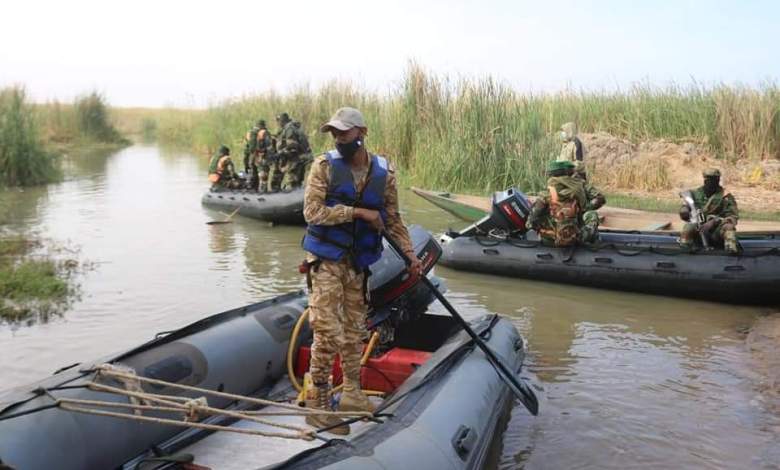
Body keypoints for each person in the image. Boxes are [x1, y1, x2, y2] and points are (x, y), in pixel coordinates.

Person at [301, 107, 422, 435]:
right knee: (327, 330)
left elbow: (393, 218)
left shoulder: (384, 172)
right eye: (334, 133)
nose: (339, 139)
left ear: (361, 133)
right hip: (326, 259)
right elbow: (312, 212)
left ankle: (353, 394)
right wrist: (357, 213)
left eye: (344, 132)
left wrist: (410, 254)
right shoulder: (324, 166)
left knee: (355, 330)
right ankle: (319, 405)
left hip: (358, 263)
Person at [528, 160, 605, 246]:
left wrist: (544, 230)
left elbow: (531, 221)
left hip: (552, 240)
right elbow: (600, 198)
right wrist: (584, 208)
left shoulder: (546, 193)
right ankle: (589, 238)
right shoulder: (580, 185)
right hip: (578, 236)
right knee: (591, 214)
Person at [678, 168, 739, 254]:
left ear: (718, 180)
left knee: (729, 227)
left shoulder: (725, 196)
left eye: (714, 180)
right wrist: (684, 210)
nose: (712, 183)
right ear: (705, 180)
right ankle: (685, 249)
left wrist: (714, 221)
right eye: (709, 179)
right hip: (699, 230)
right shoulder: (695, 193)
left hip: (717, 231)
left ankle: (730, 253)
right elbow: (685, 205)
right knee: (688, 227)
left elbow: (732, 217)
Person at [275, 112, 311, 190]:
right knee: (297, 183)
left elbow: (292, 147)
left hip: (297, 159)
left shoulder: (289, 128)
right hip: (303, 158)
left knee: (292, 183)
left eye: (279, 121)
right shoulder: (294, 127)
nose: (278, 123)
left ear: (282, 121)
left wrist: (281, 153)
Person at [249, 120, 276, 193]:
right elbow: (269, 147)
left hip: (255, 158)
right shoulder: (264, 133)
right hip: (263, 159)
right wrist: (272, 159)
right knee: (263, 178)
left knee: (256, 176)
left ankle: (254, 191)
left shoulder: (252, 133)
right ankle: (262, 193)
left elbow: (249, 148)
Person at [243, 120, 262, 190]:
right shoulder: (262, 133)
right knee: (258, 175)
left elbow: (246, 152)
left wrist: (245, 164)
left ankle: (253, 189)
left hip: (252, 157)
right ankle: (257, 189)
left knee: (253, 173)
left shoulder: (251, 135)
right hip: (260, 157)